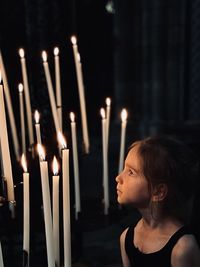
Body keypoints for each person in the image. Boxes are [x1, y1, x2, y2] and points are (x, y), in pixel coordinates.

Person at [116, 135, 200, 267]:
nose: (118, 178)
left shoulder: (182, 248)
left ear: (159, 192)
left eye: (131, 172)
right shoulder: (126, 238)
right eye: (124, 169)